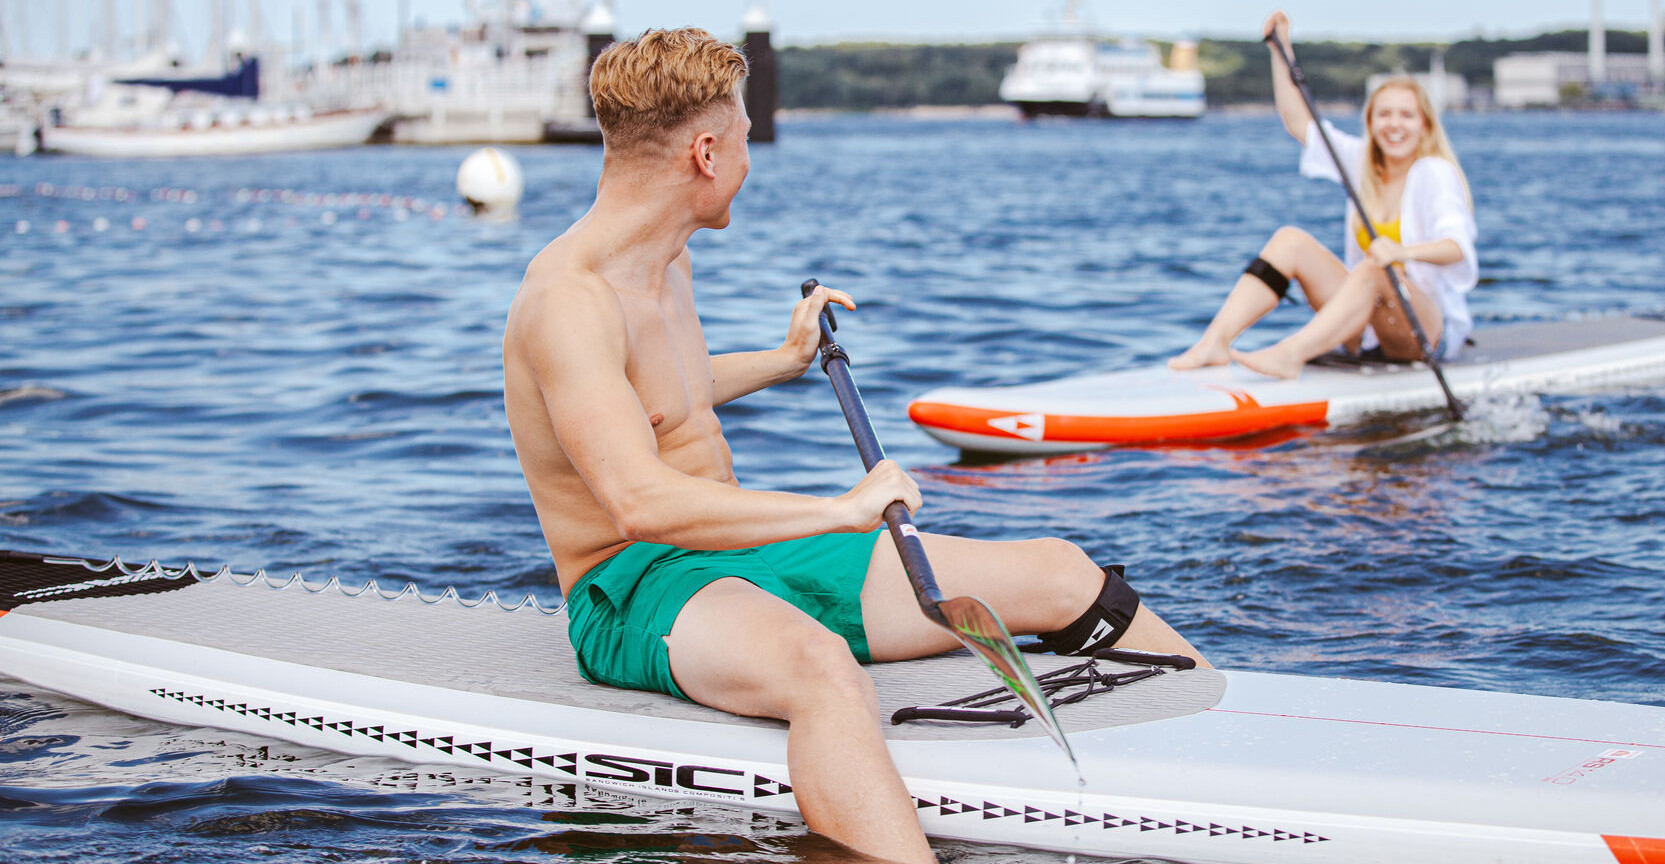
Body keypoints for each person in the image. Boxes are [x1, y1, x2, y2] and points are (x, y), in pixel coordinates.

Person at [501, 28, 1208, 864]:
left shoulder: (666, 261)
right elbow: (638, 499)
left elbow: (665, 397)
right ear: (705, 151)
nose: (750, 162)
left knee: (1062, 573)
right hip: (634, 585)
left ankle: (1228, 764)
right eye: (744, 139)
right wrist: (840, 509)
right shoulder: (569, 302)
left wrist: (784, 361)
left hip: (742, 556)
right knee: (822, 667)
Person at [1170, 10, 1478, 380]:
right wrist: (1280, 49)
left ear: (1424, 125)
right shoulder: (1359, 161)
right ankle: (1215, 343)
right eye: (1384, 115)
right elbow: (1300, 123)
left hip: (1425, 334)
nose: (1394, 125)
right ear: (1370, 122)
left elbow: (1457, 247)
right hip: (1366, 331)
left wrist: (1401, 253)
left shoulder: (1434, 173)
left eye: (1406, 116)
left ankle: (1290, 354)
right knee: (1290, 241)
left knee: (1374, 268)